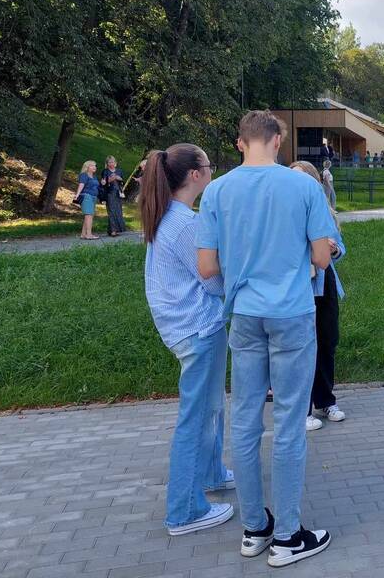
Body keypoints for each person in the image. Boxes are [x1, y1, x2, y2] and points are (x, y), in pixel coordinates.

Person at [196, 111, 336, 567]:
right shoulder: (304, 187)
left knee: (245, 420)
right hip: (292, 313)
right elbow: (320, 257)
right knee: (291, 423)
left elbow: (207, 267)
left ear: (240, 143)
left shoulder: (216, 192)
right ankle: (289, 536)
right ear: (279, 140)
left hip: (244, 315)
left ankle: (255, 528)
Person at [141, 144, 234, 536]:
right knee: (196, 418)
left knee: (211, 407)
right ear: (195, 174)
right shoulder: (184, 225)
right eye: (208, 165)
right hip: (197, 330)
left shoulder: (171, 217)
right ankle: (185, 511)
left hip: (188, 328)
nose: (212, 170)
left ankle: (212, 473)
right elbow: (211, 279)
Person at [290, 161, 348, 430]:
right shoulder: (286, 211)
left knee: (327, 341)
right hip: (298, 286)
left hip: (324, 284)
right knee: (301, 346)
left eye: (302, 179)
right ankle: (302, 408)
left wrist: (334, 250)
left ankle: (326, 400)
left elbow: (340, 248)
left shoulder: (323, 210)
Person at [100, 155, 127, 237]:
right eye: (110, 162)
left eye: (113, 162)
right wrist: (110, 179)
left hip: (118, 193)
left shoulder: (119, 171)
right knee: (111, 211)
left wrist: (119, 178)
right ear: (107, 163)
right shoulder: (105, 171)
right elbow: (103, 183)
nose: (112, 163)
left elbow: (123, 182)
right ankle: (113, 231)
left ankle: (114, 229)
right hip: (109, 193)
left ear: (115, 163)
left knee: (118, 211)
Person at [74, 160, 100, 240]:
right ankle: (89, 234)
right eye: (92, 166)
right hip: (86, 196)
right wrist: (77, 195)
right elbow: (81, 185)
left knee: (89, 215)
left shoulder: (94, 176)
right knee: (88, 215)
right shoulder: (84, 175)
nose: (94, 167)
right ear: (87, 167)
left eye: (95, 166)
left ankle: (83, 234)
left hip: (93, 197)